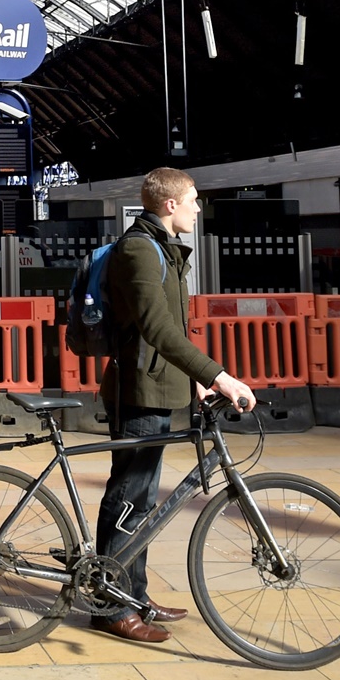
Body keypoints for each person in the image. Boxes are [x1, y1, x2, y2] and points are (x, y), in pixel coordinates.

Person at [94, 167, 255, 643]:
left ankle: (132, 592)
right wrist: (219, 375)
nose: (198, 208)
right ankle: (109, 606)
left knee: (140, 499)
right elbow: (157, 331)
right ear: (170, 205)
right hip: (138, 392)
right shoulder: (139, 250)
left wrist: (194, 385)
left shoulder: (161, 248)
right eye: (194, 200)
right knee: (130, 497)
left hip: (158, 388)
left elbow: (171, 331)